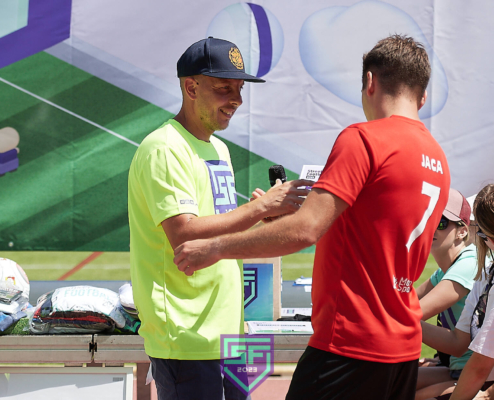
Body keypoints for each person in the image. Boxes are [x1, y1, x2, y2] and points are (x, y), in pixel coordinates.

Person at [174, 35, 451, 400]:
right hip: (403, 349)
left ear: (369, 82)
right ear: (423, 96)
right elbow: (370, 229)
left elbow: (305, 230)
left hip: (349, 343)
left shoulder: (365, 139)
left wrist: (215, 248)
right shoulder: (437, 157)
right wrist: (282, 221)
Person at [128, 37, 311, 400]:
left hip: (228, 333)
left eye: (240, 89)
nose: (237, 99)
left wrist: (260, 218)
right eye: (224, 88)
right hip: (187, 336)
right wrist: (258, 208)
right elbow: (184, 234)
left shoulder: (218, 148)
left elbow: (215, 230)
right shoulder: (164, 148)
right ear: (191, 87)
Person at [420, 183, 494, 400]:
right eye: (426, 219)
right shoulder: (480, 272)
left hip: (476, 373)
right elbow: (458, 342)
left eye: (440, 222)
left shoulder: (470, 265)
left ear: (464, 231)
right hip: (462, 368)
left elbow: (410, 312)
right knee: (392, 381)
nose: (431, 227)